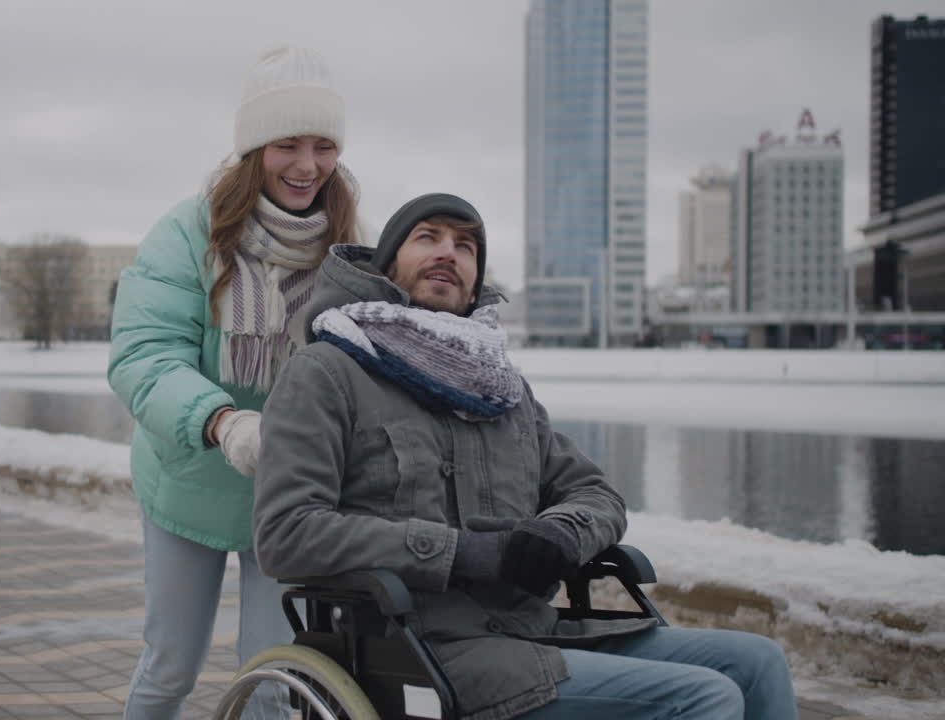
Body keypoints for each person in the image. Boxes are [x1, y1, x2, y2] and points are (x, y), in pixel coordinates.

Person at [254, 193, 798, 720]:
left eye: (466, 246)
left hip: (531, 631)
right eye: (429, 237)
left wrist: (562, 533)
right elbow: (287, 534)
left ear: (474, 285)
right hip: (423, 648)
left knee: (759, 663)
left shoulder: (502, 390)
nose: (449, 252)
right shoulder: (328, 372)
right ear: (387, 261)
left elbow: (596, 492)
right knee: (702, 698)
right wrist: (463, 552)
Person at [107, 45, 368, 720]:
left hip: (288, 492)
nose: (307, 167)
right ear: (254, 149)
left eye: (323, 146)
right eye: (287, 144)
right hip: (190, 474)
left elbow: (366, 364)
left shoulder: (347, 245)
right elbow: (144, 357)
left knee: (272, 677)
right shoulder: (186, 234)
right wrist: (224, 422)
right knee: (170, 664)